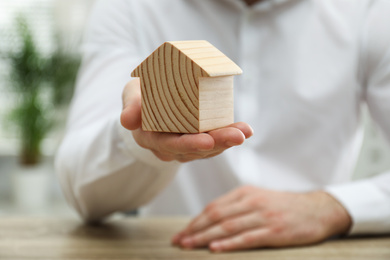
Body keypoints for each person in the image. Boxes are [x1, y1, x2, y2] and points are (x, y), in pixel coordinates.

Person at [56, 0, 390, 253]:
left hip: (310, 250)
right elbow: (82, 191)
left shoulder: (368, 9)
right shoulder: (130, 7)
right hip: (178, 249)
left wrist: (334, 207)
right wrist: (137, 139)